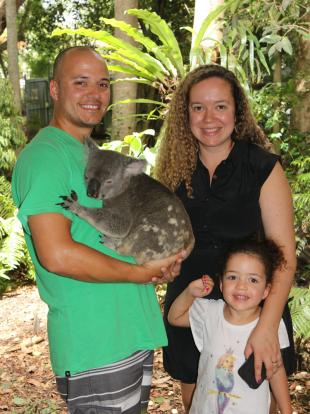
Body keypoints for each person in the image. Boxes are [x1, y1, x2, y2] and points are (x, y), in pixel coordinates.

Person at [12, 46, 185, 414]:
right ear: (55, 89)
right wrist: (138, 272)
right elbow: (56, 254)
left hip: (130, 331)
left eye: (103, 84)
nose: (95, 94)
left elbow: (128, 231)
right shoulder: (46, 157)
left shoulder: (95, 156)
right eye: (81, 82)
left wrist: (160, 263)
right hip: (97, 340)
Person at [154, 64, 296, 413]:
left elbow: (284, 257)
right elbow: (161, 246)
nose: (209, 117)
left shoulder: (262, 168)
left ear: (237, 111)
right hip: (191, 309)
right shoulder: (174, 172)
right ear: (185, 115)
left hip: (253, 308)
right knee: (200, 404)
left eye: (220, 106)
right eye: (198, 107)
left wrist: (266, 327)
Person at [168, 238, 292, 414]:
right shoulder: (209, 313)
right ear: (221, 283)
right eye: (232, 277)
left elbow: (276, 371)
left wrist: (287, 410)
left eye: (253, 280)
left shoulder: (270, 326)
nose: (241, 286)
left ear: (266, 290)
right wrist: (189, 292)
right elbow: (174, 318)